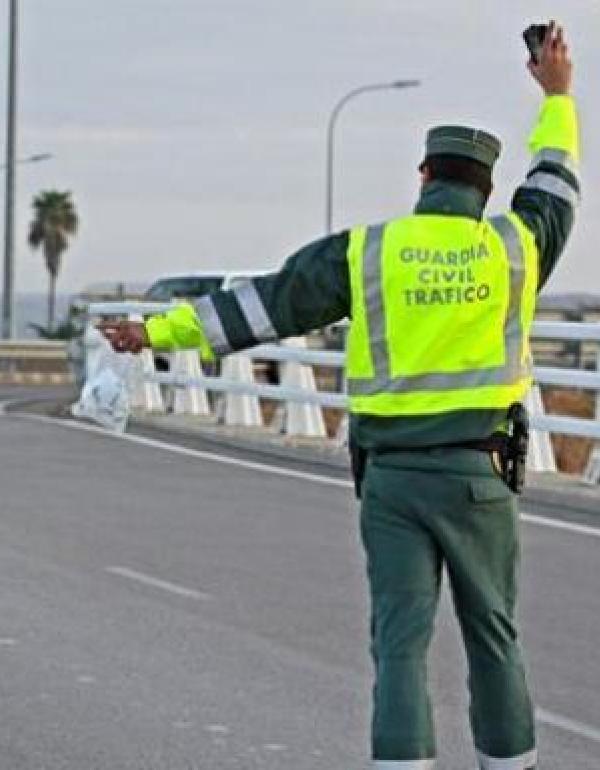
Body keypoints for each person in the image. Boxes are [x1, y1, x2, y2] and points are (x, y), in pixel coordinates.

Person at [102, 23, 576, 769]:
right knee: (493, 635)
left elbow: (261, 306)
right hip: (482, 477)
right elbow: (555, 181)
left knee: (399, 646)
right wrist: (557, 95)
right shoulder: (514, 247)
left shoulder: (368, 252)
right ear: (484, 191)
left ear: (424, 178)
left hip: (391, 480)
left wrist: (155, 330)